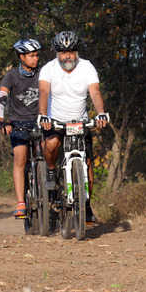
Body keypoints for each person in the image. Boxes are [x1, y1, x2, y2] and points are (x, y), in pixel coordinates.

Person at [38, 31, 109, 224]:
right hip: (55, 120)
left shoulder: (87, 67)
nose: (67, 56)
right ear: (57, 53)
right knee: (51, 145)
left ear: (76, 51)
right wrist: (43, 115)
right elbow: (44, 92)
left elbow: (94, 91)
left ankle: (86, 206)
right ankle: (51, 171)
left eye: (71, 51)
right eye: (63, 52)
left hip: (79, 121)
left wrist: (101, 112)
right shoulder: (48, 69)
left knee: (87, 163)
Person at [0, 38, 42, 218]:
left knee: (49, 151)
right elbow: (2, 98)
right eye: (31, 56)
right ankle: (21, 202)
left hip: (41, 121)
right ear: (21, 56)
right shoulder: (12, 76)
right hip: (19, 123)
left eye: (37, 55)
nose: (35, 59)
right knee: (20, 159)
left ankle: (51, 192)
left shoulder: (43, 74)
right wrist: (1, 120)